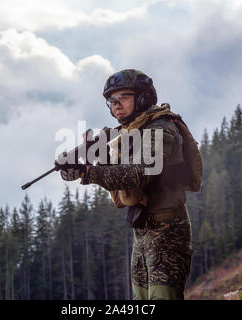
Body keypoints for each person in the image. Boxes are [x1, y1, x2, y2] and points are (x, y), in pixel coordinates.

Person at [56, 69, 202, 300]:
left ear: (143, 96)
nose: (116, 105)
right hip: (142, 232)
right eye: (111, 101)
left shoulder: (160, 129)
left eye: (123, 97)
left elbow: (138, 174)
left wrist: (87, 172)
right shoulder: (132, 132)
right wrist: (93, 160)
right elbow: (121, 186)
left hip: (168, 231)